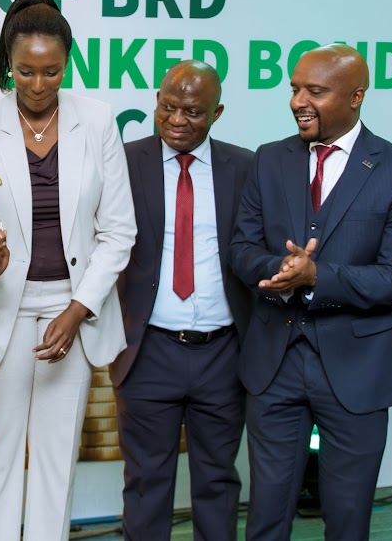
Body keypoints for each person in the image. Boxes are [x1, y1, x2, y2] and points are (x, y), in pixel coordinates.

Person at [0, 0, 136, 541]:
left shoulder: (97, 120)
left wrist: (78, 310)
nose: (37, 84)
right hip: (3, 306)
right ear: (8, 63)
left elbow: (118, 231)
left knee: (57, 461)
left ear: (67, 62)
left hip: (73, 308)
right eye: (25, 71)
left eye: (51, 72)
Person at [228, 44, 392, 541]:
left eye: (314, 91)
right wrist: (280, 269)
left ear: (356, 96)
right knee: (266, 517)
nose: (298, 101)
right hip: (274, 363)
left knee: (347, 519)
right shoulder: (269, 160)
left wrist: (318, 277)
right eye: (295, 89)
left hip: (358, 368)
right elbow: (242, 250)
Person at [112, 60, 254, 541]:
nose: (176, 120)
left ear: (217, 113)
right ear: (157, 101)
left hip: (224, 354)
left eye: (192, 112)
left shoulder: (246, 167)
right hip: (147, 350)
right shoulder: (124, 161)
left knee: (218, 481)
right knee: (146, 483)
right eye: (167, 107)